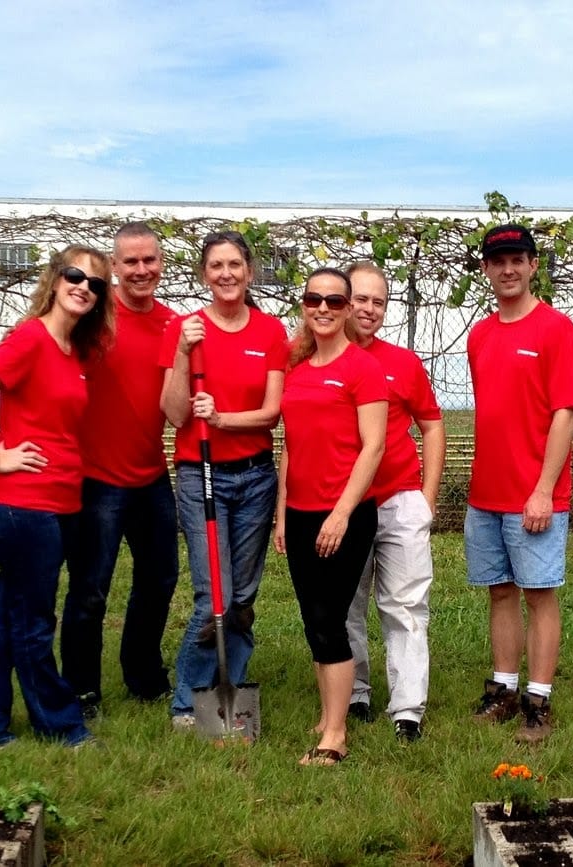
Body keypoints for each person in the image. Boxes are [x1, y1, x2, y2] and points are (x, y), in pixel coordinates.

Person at [0, 245, 115, 748]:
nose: (84, 286)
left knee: (9, 615)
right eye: (74, 275)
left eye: (95, 283)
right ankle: (61, 725)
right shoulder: (31, 340)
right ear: (53, 279)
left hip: (56, 503)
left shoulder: (72, 350)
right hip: (22, 505)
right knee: (33, 621)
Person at [159, 230, 288, 729]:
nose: (227, 274)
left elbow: (272, 413)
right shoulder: (188, 330)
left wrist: (222, 419)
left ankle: (227, 690)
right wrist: (183, 354)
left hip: (255, 477)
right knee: (212, 596)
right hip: (201, 476)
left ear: (249, 272)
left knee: (241, 599)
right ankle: (188, 701)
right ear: (204, 275)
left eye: (235, 264)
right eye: (217, 266)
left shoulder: (270, 331)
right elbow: (174, 414)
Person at [466, 224, 573, 744]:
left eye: (517, 259)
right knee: (499, 593)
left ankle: (538, 700)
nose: (508, 269)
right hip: (485, 495)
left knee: (539, 594)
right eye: (498, 261)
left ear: (534, 265)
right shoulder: (481, 335)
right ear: (487, 270)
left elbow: (564, 416)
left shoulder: (557, 331)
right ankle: (504, 687)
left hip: (535, 495)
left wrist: (542, 489)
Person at [61, 222, 178, 715]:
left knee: (160, 579)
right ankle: (81, 689)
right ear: (114, 267)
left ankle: (143, 674)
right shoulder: (93, 320)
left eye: (148, 260)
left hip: (151, 475)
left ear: (161, 263)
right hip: (97, 479)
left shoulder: (173, 324)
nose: (140, 270)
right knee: (91, 589)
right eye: (129, 262)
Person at [275, 267, 387, 765]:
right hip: (299, 514)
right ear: (304, 304)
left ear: (346, 309)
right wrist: (281, 517)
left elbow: (373, 447)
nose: (323, 308)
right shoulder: (297, 370)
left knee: (329, 619)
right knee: (311, 619)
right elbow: (291, 450)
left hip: (344, 515)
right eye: (313, 299)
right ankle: (327, 714)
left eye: (334, 301)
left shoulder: (363, 369)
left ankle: (335, 736)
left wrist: (341, 514)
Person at [343, 261, 445, 742]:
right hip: (342, 504)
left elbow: (431, 424)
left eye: (378, 301)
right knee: (347, 604)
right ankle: (355, 691)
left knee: (405, 605)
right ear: (344, 300)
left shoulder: (403, 363)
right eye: (360, 298)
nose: (368, 309)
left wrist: (426, 497)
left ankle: (407, 709)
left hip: (401, 501)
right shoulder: (317, 359)